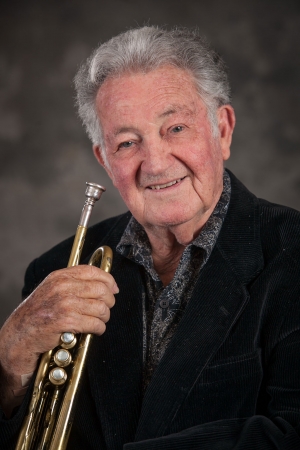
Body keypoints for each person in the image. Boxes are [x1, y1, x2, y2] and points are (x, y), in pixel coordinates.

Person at [0, 26, 300, 450]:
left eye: (175, 128)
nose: (156, 163)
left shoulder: (293, 253)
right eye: (127, 142)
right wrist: (9, 361)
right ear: (105, 159)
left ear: (223, 130)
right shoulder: (54, 272)